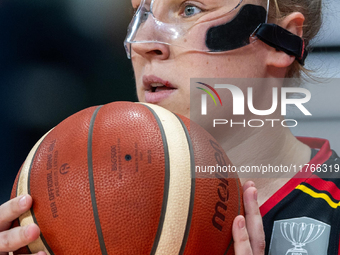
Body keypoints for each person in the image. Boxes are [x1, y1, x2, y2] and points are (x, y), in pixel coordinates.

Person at [0, 0, 338, 255]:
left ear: (281, 42)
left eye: (190, 9)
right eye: (141, 13)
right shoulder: (52, 207)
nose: (144, 43)